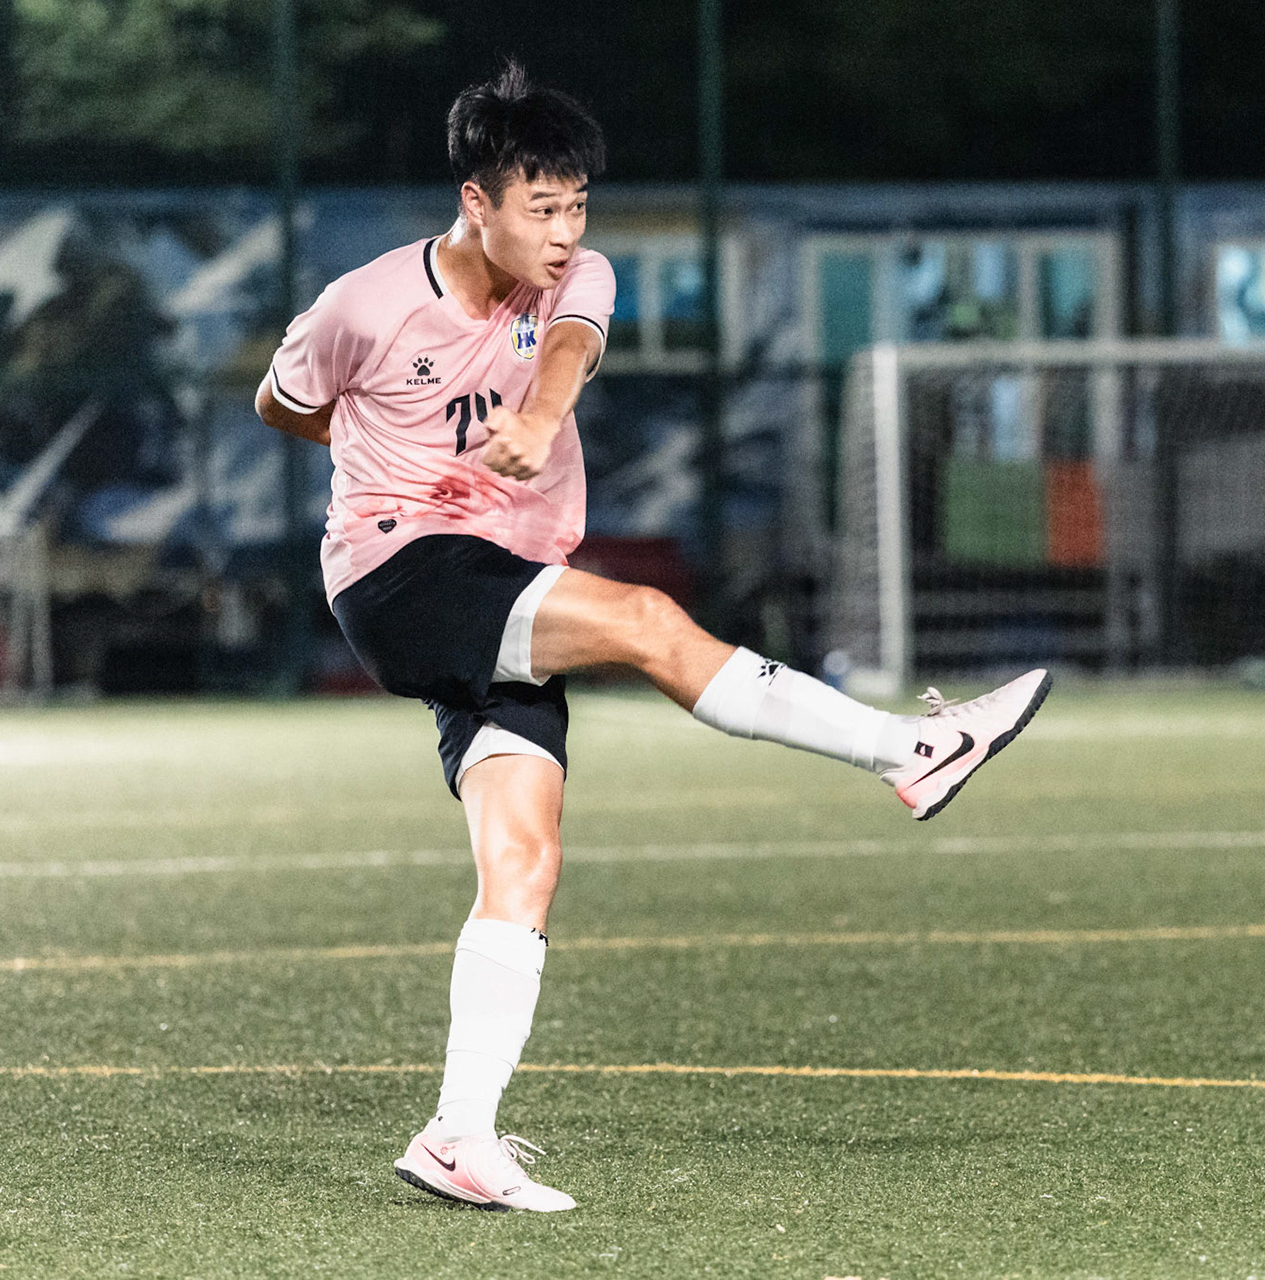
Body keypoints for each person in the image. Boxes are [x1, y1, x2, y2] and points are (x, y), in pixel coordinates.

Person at [255, 63, 1050, 1214]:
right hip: (398, 571)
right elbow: (282, 400)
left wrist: (535, 416)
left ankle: (456, 1132)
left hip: (503, 582)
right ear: (476, 200)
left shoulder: (579, 278)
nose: (566, 232)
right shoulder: (364, 305)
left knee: (525, 857)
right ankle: (907, 751)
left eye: (578, 207)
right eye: (543, 208)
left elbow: (570, 350)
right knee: (642, 619)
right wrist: (366, 439)